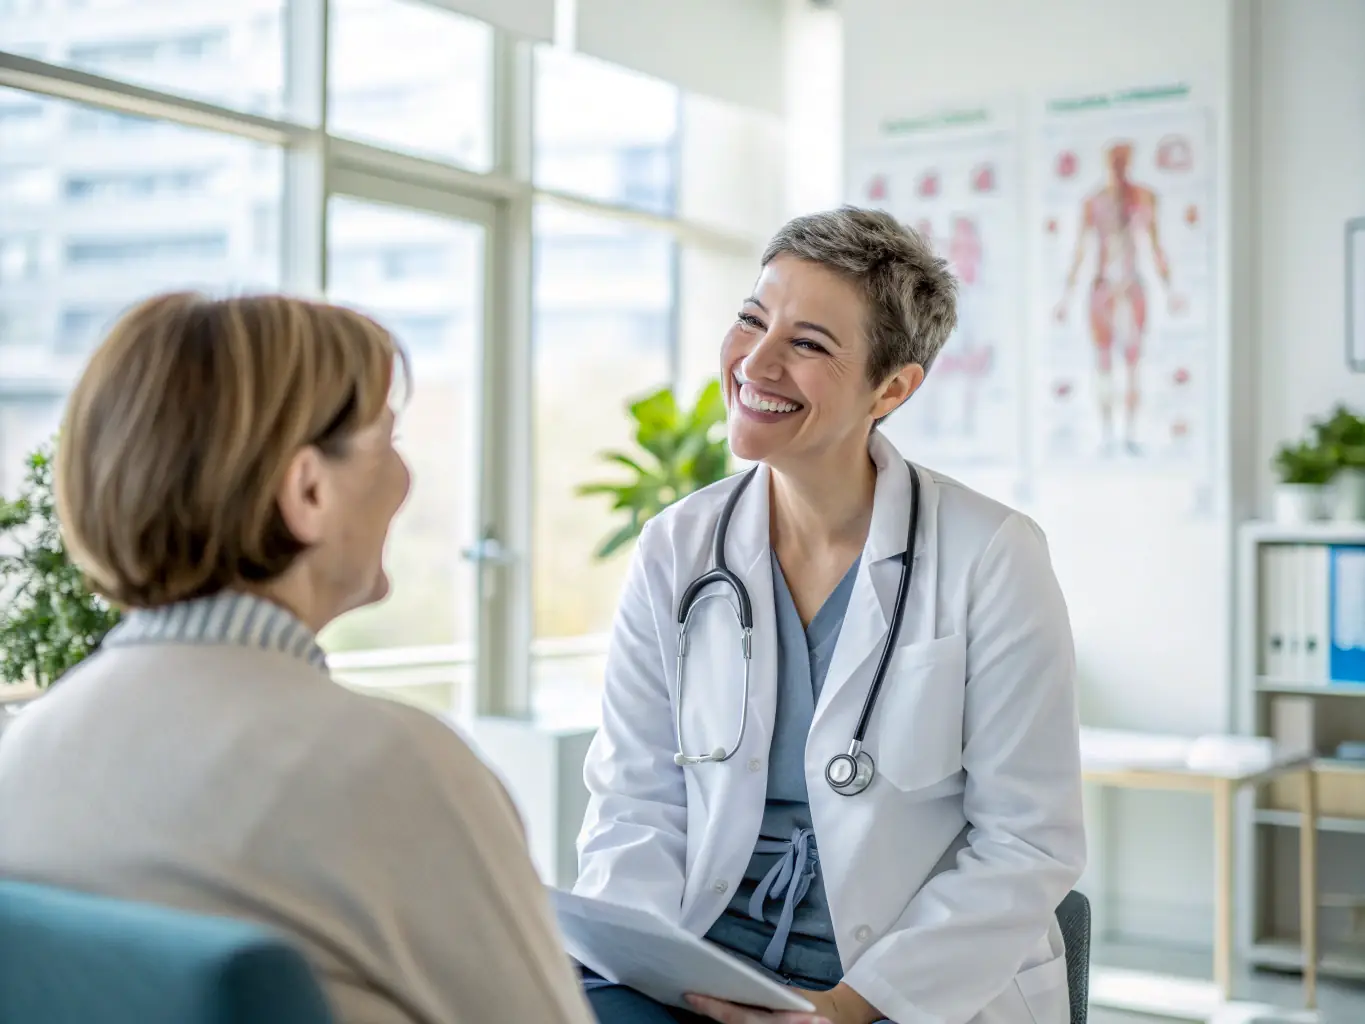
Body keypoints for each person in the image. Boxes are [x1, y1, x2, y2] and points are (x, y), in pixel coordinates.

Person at [0, 292, 595, 1024]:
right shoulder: (394, 767)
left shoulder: (26, 751)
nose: (405, 479)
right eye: (388, 441)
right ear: (308, 490)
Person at [574, 208, 1085, 1024]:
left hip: (900, 990)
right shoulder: (677, 547)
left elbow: (1026, 841)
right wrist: (640, 962)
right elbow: (635, 797)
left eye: (808, 344)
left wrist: (845, 1008)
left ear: (892, 388)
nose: (756, 362)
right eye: (752, 320)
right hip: (701, 964)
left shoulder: (991, 554)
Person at [1054, 140, 1183, 455]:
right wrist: (1066, 298)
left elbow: (1155, 246)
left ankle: (1130, 433)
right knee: (1104, 363)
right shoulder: (1093, 203)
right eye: (1114, 160)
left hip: (1130, 287)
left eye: (1123, 159)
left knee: (1132, 365)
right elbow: (1080, 251)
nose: (1119, 165)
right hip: (1103, 290)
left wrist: (1170, 290)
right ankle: (1107, 434)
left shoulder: (1143, 198)